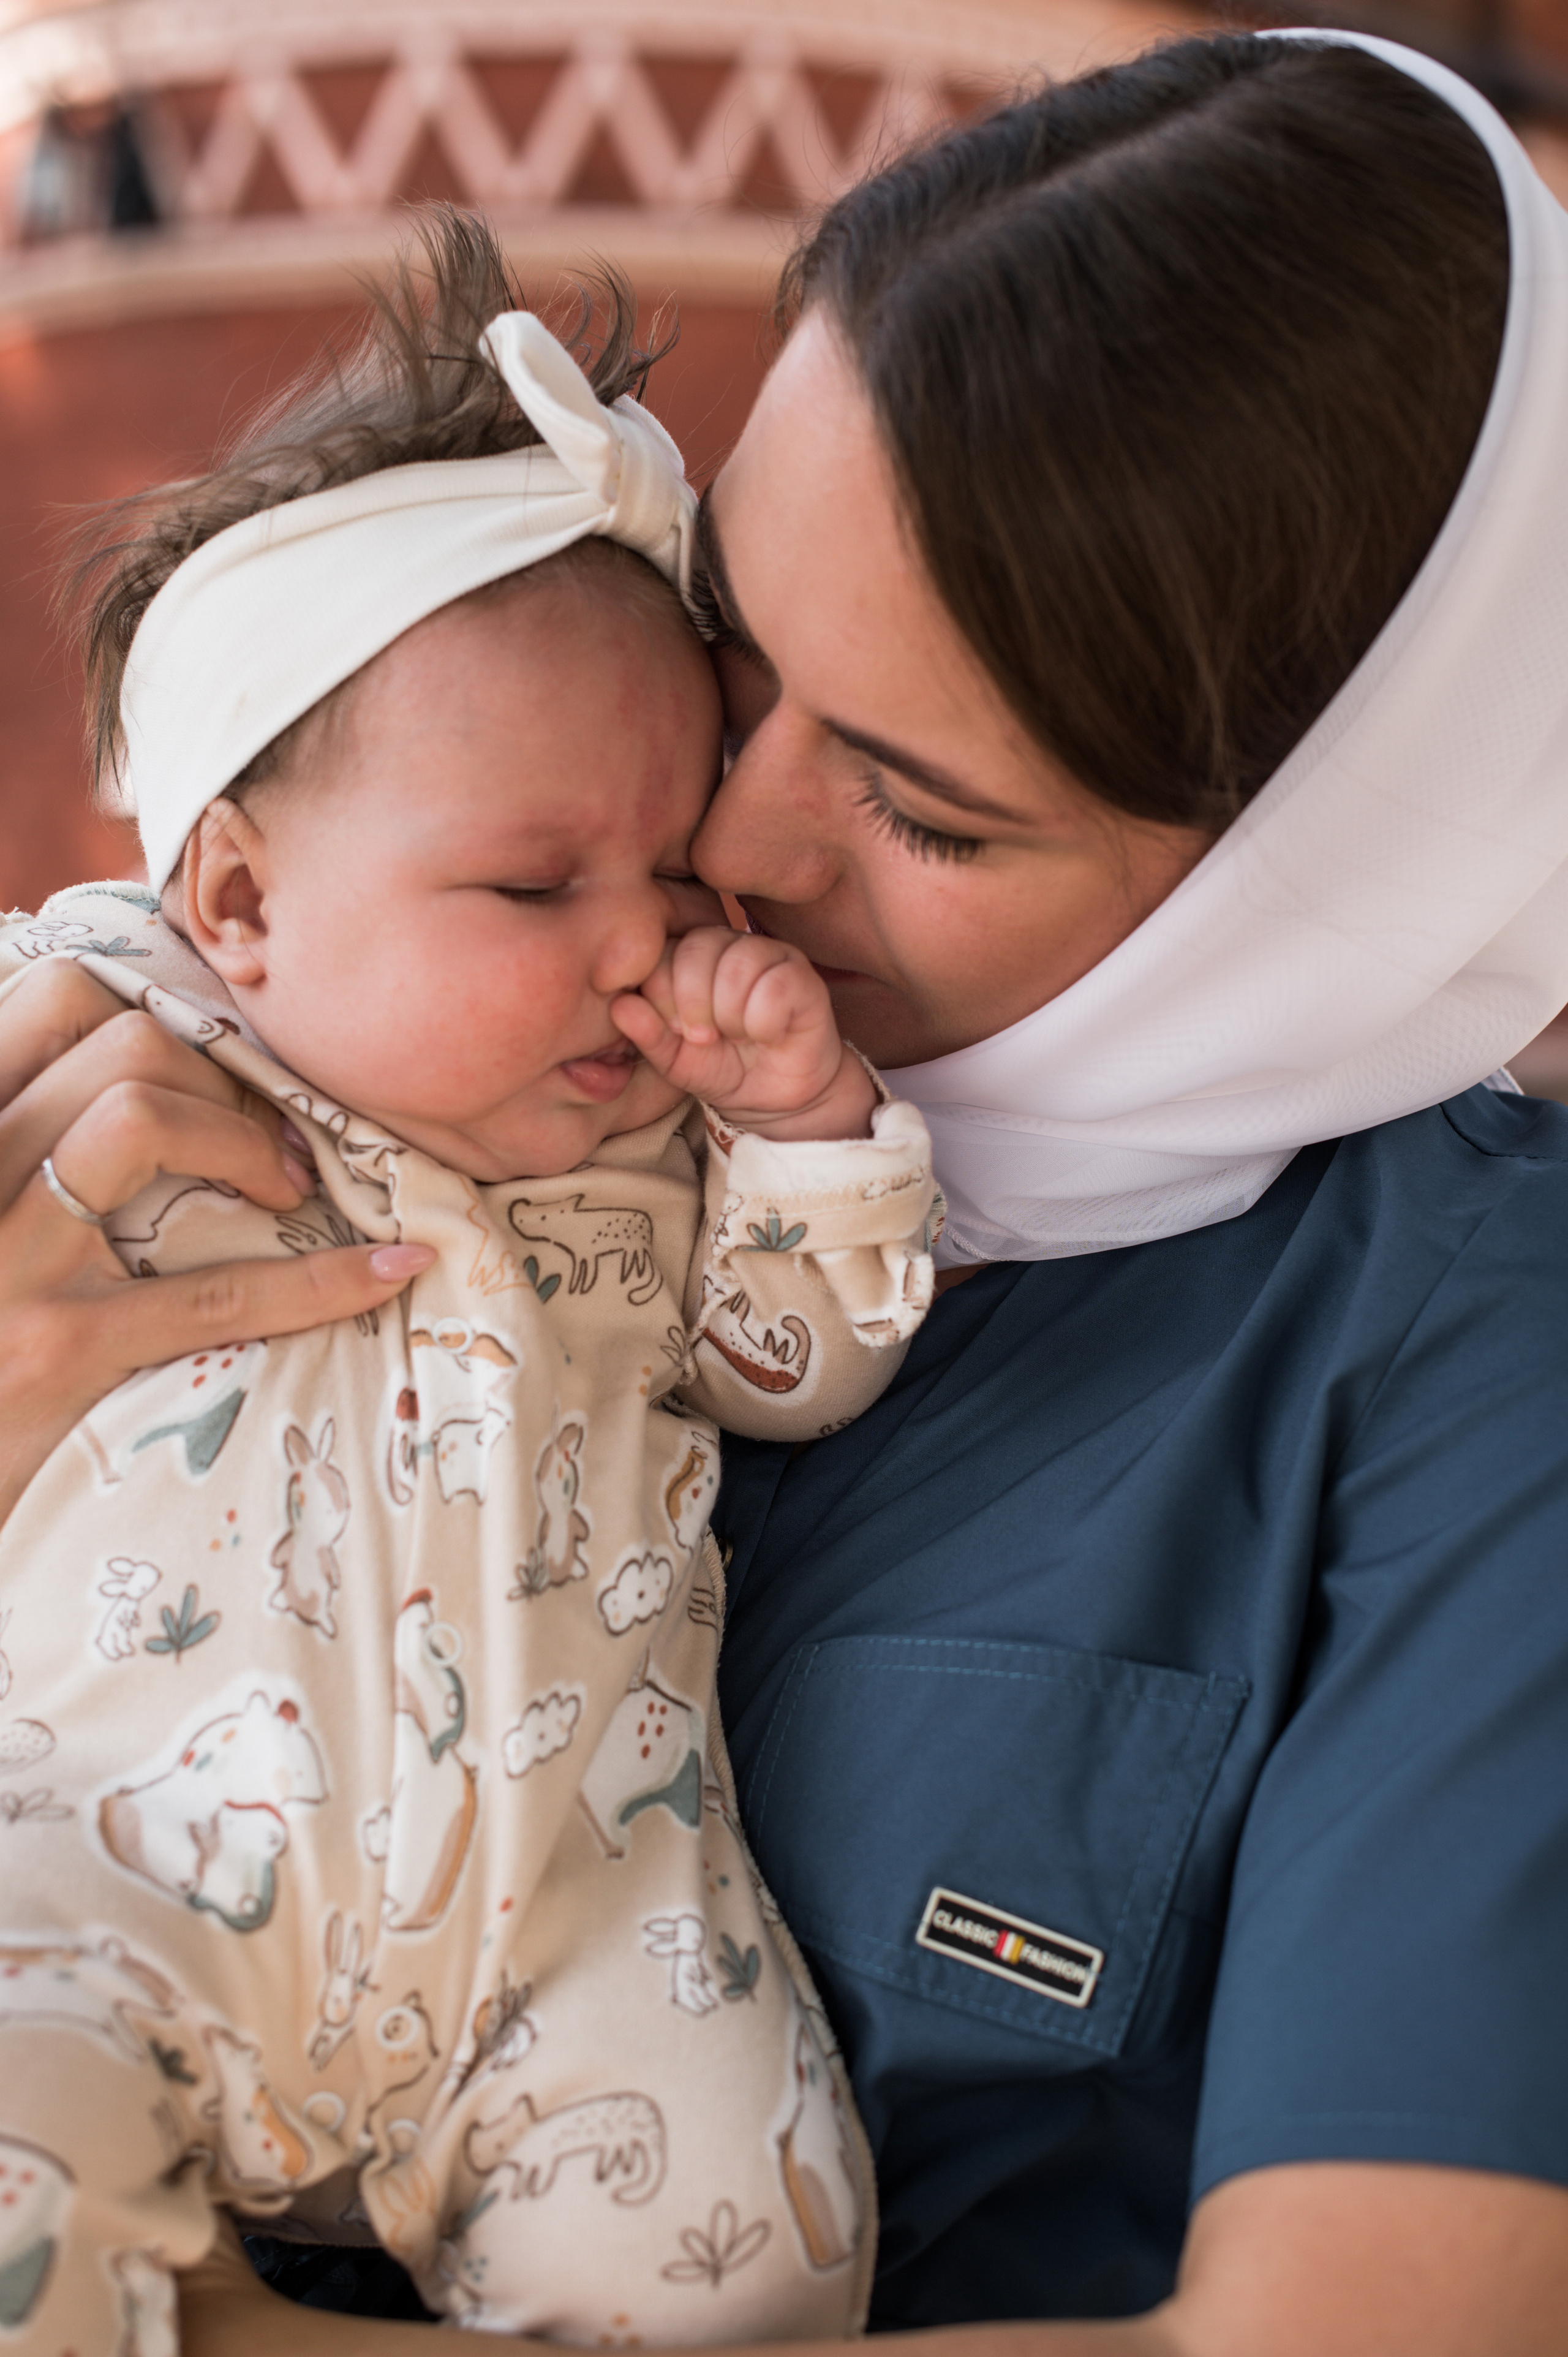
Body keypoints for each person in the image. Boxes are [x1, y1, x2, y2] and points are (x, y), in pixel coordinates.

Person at [2, 22, 1567, 2356]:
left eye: (922, 808)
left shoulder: (1471, 1383)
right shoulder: (280, 1068)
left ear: (1327, 858)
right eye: (737, 663)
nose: (714, 862)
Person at [0, 220, 938, 2348]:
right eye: (535, 881)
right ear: (237, 893)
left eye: (680, 878)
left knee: (761, 2269)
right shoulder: (99, 1025)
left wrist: (805, 1133)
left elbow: (795, 1375)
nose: (639, 944)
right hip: (102, 1884)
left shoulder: (656, 1156)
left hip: (577, 1934)